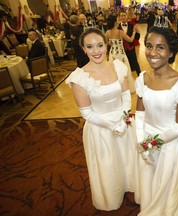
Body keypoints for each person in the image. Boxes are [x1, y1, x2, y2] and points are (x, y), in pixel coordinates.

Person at [65, 28, 136, 210]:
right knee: (108, 164)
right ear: (84, 49)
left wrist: (124, 117)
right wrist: (111, 125)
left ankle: (129, 184)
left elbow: (126, 94)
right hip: (100, 127)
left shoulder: (118, 66)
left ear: (107, 45)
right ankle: (111, 195)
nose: (96, 51)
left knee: (127, 158)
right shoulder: (79, 78)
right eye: (90, 47)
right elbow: (86, 112)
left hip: (123, 122)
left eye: (99, 45)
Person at [134, 26, 178, 215]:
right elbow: (139, 113)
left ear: (171, 53)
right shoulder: (143, 78)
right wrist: (140, 141)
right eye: (149, 46)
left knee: (166, 186)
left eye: (160, 48)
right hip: (146, 139)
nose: (153, 53)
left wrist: (151, 143)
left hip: (170, 144)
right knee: (150, 181)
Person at [105, 14, 137, 93]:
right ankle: (126, 87)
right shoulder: (120, 32)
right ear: (116, 23)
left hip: (112, 54)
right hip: (121, 54)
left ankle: (116, 89)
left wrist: (110, 43)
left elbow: (105, 42)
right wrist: (134, 32)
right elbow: (130, 40)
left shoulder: (107, 32)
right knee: (125, 71)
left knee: (114, 71)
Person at [118, 10, 141, 76]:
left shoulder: (131, 25)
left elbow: (137, 37)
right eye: (121, 16)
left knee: (136, 64)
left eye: (124, 15)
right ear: (119, 17)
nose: (123, 17)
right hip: (122, 50)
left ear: (127, 16)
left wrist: (138, 31)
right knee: (123, 65)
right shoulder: (117, 27)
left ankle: (140, 78)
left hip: (131, 48)